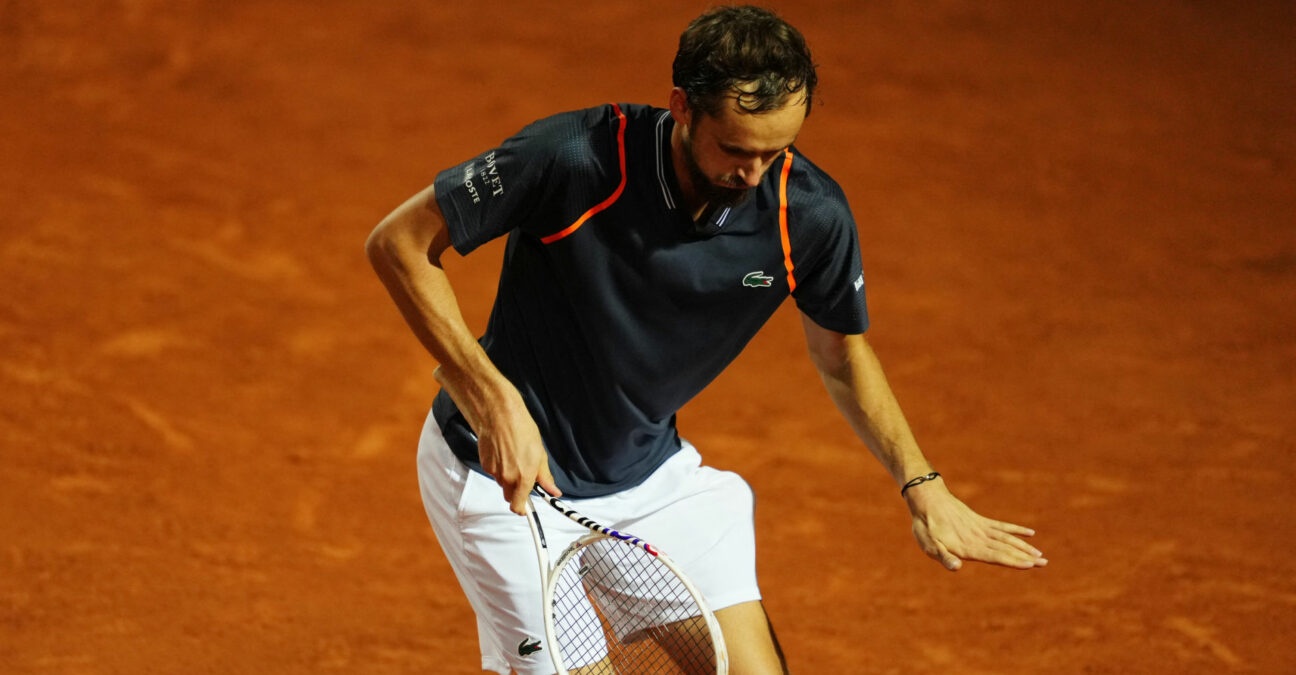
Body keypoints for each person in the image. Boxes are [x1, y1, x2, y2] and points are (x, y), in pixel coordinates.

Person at [366, 5, 1047, 674]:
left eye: (776, 152)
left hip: (651, 477)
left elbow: (842, 356)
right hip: (504, 479)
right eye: (737, 150)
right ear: (682, 109)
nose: (753, 174)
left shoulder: (805, 217)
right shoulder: (574, 159)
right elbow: (398, 243)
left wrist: (920, 482)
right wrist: (492, 398)